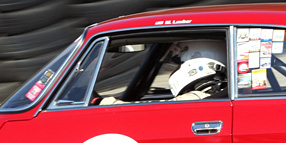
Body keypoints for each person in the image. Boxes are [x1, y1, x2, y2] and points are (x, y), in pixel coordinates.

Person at [97, 39, 227, 105]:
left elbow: (157, 109)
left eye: (179, 61)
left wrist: (115, 105)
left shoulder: (197, 98)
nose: (177, 67)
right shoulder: (213, 95)